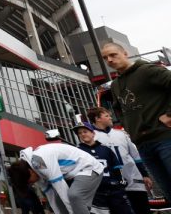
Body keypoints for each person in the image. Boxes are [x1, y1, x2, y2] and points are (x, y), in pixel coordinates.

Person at [102, 42, 171, 200]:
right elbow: (118, 109)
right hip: (143, 145)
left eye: (113, 55)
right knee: (168, 192)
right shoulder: (115, 85)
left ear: (125, 53)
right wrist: (128, 127)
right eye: (105, 58)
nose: (110, 60)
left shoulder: (147, 70)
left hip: (165, 138)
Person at [88, 106, 152, 213]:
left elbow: (135, 156)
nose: (110, 117)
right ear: (97, 118)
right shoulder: (92, 137)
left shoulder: (121, 134)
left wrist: (144, 174)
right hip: (112, 184)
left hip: (133, 179)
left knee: (143, 210)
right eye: (107, 115)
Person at [8, 143, 104, 214]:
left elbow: (62, 190)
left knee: (74, 195)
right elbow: (52, 199)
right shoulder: (32, 168)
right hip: (73, 174)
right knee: (59, 201)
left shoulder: (41, 161)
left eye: (29, 182)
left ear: (30, 172)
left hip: (89, 168)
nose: (32, 184)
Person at [73, 121, 134, 214]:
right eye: (79, 133)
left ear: (93, 133)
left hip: (114, 189)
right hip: (95, 193)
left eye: (85, 131)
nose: (82, 134)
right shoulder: (77, 151)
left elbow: (117, 166)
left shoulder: (105, 149)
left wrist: (121, 181)